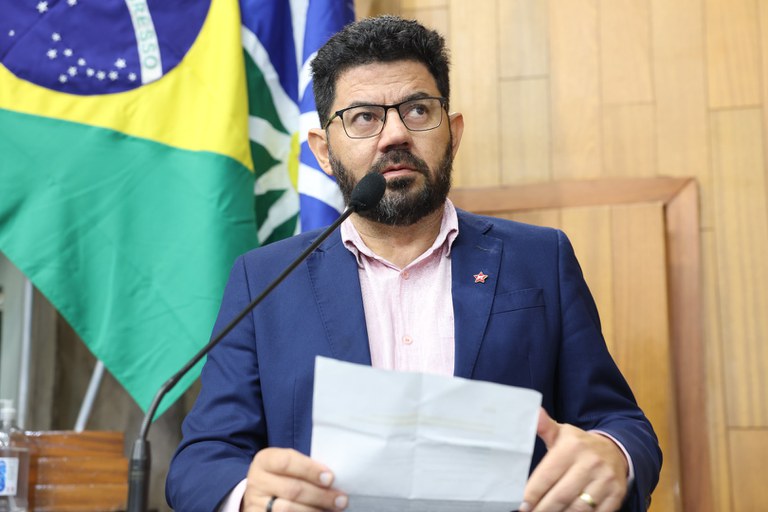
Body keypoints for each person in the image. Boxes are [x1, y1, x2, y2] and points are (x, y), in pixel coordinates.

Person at [166, 15, 661, 512]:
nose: (395, 135)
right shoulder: (265, 280)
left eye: (418, 110)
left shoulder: (540, 259)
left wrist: (613, 455)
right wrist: (252, 498)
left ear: (454, 132)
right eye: (364, 117)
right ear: (322, 151)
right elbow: (201, 462)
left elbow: (620, 423)